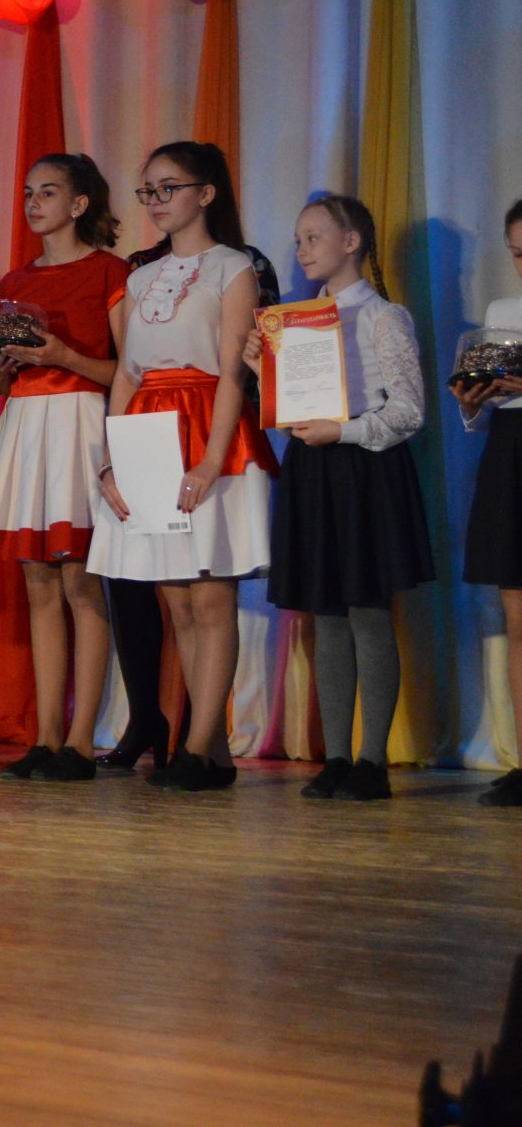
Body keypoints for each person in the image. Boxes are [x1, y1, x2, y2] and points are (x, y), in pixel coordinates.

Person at [91, 141, 278, 793]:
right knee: (176, 600)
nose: (156, 201)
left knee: (210, 594)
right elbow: (126, 373)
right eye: (148, 190)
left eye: (168, 187)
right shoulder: (140, 278)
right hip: (148, 431)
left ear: (206, 193)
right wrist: (111, 460)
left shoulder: (233, 267)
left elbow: (232, 372)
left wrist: (210, 459)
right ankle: (211, 748)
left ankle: (199, 745)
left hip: (206, 427)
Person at [247, 195, 430, 801]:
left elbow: (409, 411)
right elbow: (292, 409)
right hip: (314, 470)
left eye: (314, 237)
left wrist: (343, 431)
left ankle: (372, 760)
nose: (302, 250)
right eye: (298, 239)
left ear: (352, 241)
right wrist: (262, 373)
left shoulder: (383, 316)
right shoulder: (295, 322)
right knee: (325, 613)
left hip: (364, 468)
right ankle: (337, 757)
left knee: (367, 611)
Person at [0, 154, 127, 782]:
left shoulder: (110, 271)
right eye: (29, 192)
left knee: (80, 582)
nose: (34, 203)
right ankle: (48, 736)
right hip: (27, 424)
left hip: (80, 423)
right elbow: (4, 379)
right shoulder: (16, 281)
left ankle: (81, 740)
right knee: (38, 585)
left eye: (48, 193)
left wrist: (62, 354)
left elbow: (126, 371)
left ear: (80, 204)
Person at [455, 198, 522, 807]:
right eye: (518, 254)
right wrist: (472, 403)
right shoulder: (503, 314)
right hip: (512, 457)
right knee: (516, 620)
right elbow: (486, 411)